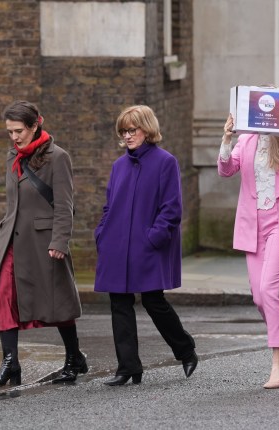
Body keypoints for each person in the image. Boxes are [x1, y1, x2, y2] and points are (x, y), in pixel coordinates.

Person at [0, 101, 87, 387]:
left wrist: (60, 241)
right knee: (5, 296)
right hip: (13, 241)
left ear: (34, 126)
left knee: (57, 302)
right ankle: (10, 363)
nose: (14, 137)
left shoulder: (58, 157)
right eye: (9, 132)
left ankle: (74, 357)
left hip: (45, 242)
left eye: (19, 131)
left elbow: (65, 205)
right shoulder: (12, 156)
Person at [94, 105, 198, 386]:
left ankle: (185, 349)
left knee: (154, 301)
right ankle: (128, 367)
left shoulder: (165, 162)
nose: (127, 136)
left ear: (147, 129)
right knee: (119, 302)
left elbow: (172, 208)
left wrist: (154, 237)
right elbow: (109, 206)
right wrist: (102, 233)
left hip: (148, 245)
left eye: (132, 130)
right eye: (123, 131)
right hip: (116, 244)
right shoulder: (119, 166)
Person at [218, 110, 279, 389]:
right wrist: (227, 138)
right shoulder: (246, 141)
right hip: (253, 226)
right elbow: (225, 170)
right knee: (259, 297)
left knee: (269, 290)